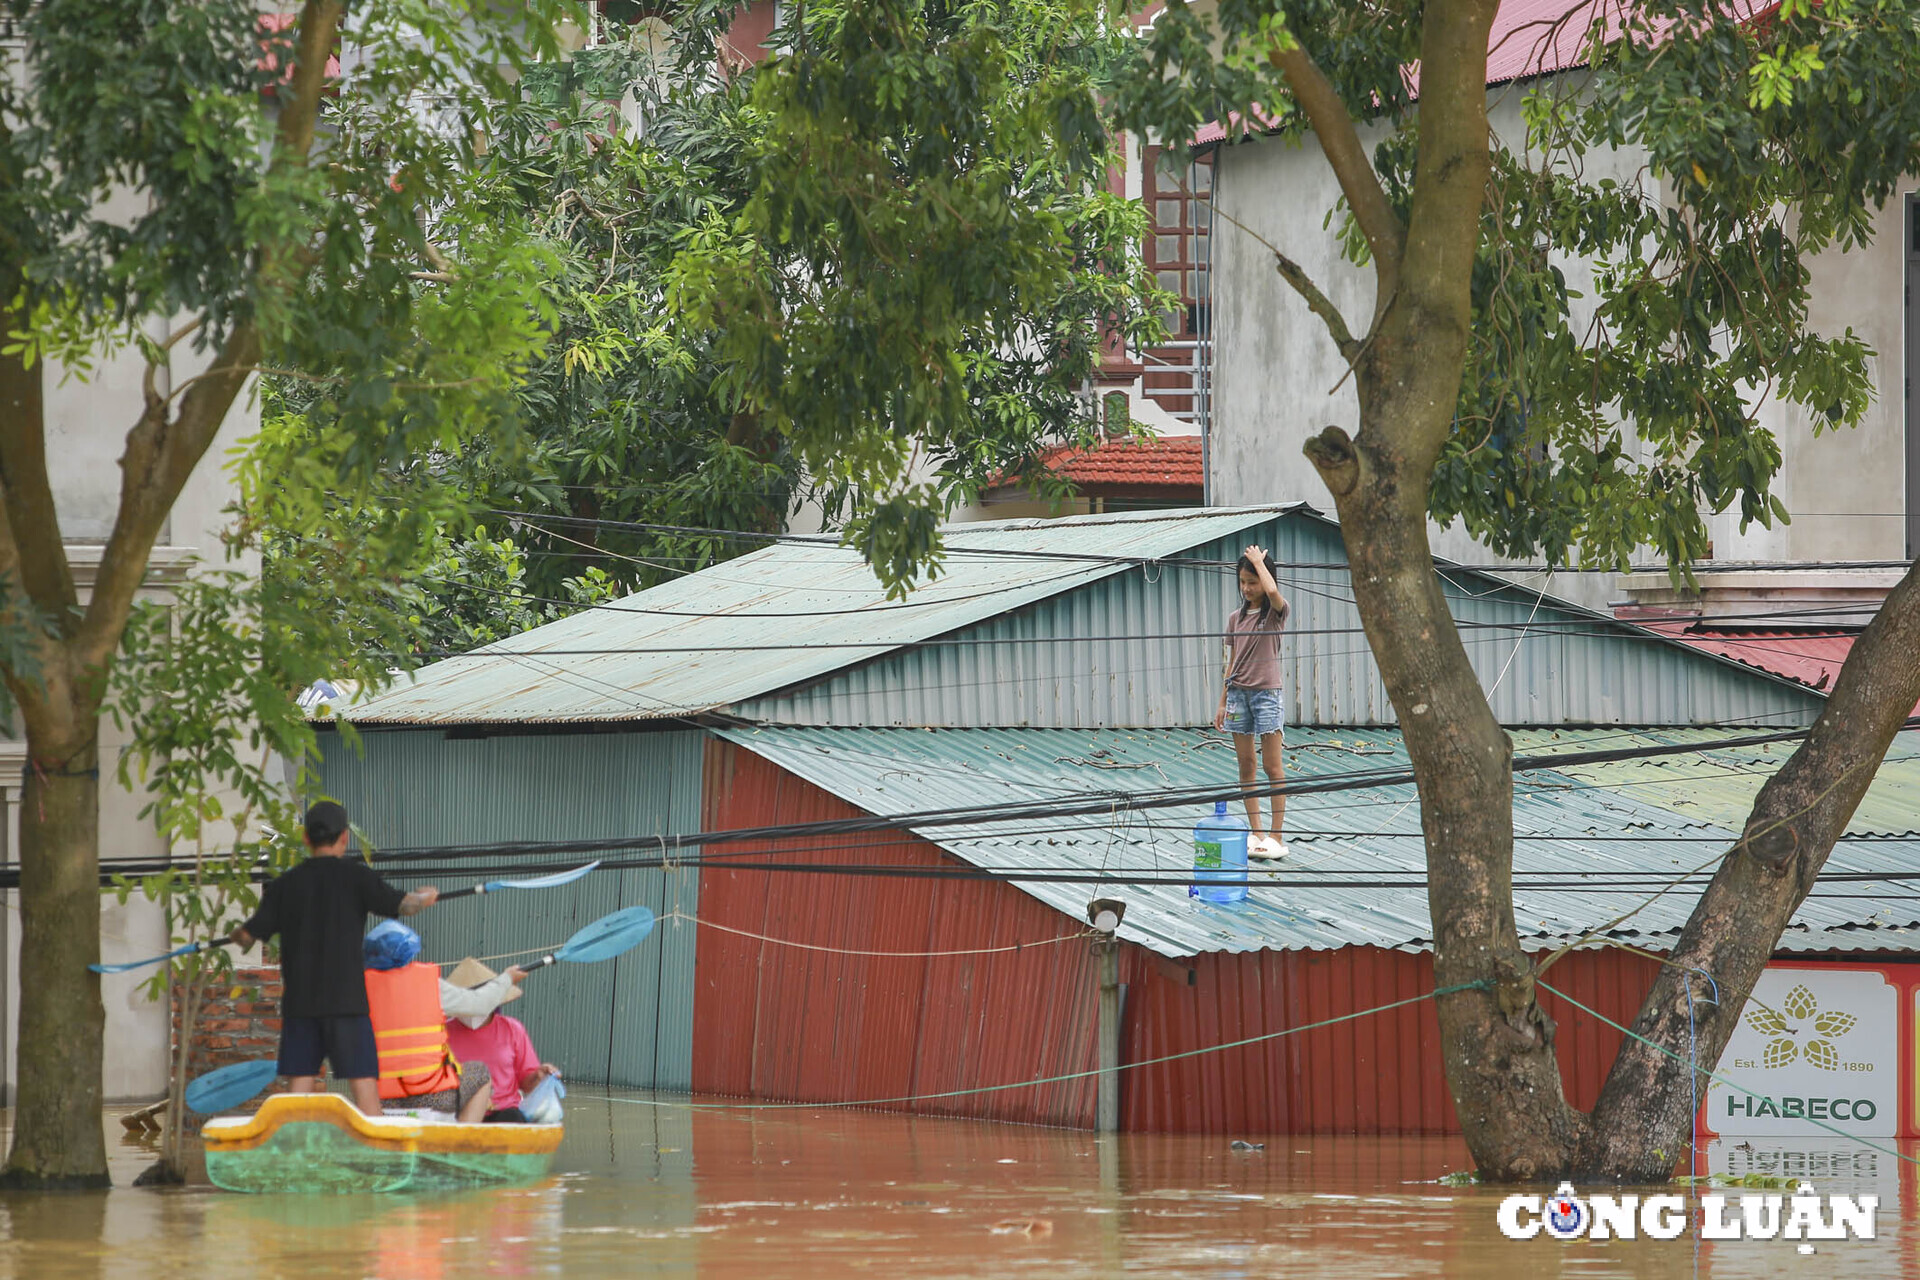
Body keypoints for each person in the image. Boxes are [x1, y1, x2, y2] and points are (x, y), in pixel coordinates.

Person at [231, 801, 439, 1117]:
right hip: (347, 1005)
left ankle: (290, 1160)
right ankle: (378, 1158)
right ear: (345, 837)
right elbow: (405, 905)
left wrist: (239, 933)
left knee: (297, 1094)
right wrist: (426, 896)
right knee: (366, 1094)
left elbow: (248, 936)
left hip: (301, 1006)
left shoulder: (285, 885)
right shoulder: (358, 878)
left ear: (305, 839)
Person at [362, 921, 505, 1123]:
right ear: (408, 954)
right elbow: (479, 1004)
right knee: (480, 1073)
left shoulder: (360, 991)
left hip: (379, 1102)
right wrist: (508, 978)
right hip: (433, 1100)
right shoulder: (431, 985)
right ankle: (458, 1141)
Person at [1214, 544, 1290, 860]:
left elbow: (1273, 592)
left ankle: (1275, 835)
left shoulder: (1275, 613)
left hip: (1267, 696)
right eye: (1243, 582)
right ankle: (1256, 833)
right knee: (1247, 766)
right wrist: (1222, 702)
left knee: (1273, 767)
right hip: (1237, 696)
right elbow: (1231, 662)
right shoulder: (1235, 618)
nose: (1247, 588)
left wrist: (1260, 563)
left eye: (1253, 581)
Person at [443, 958, 560, 1123]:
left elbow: (526, 1084)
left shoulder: (512, 1029)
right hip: (458, 1112)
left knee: (514, 1118)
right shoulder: (441, 1032)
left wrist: (539, 1076)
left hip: (504, 1112)